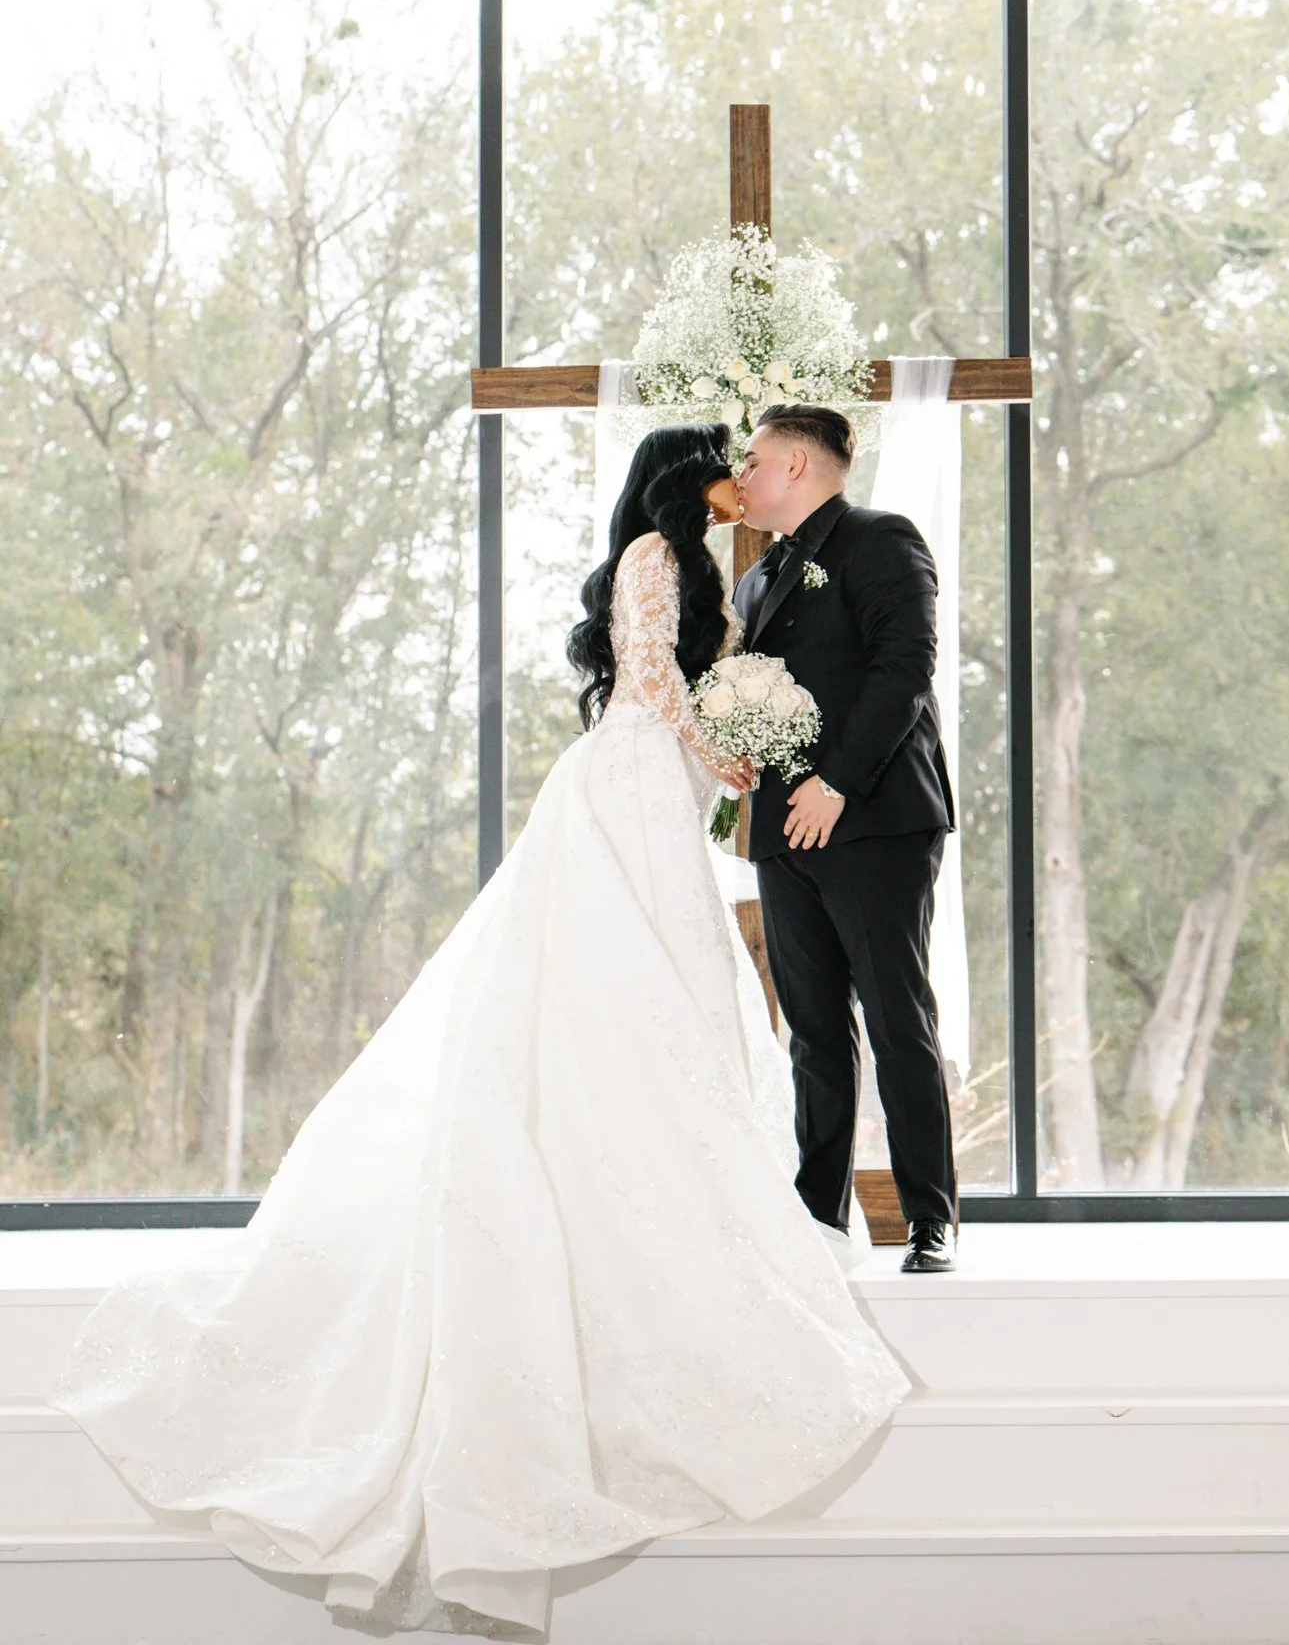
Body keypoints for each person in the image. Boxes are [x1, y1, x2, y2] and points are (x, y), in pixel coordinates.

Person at [51, 422, 909, 1641]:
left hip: (653, 793)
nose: (740, 482)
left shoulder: (698, 564)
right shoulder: (653, 563)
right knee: (616, 996)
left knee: (658, 1006)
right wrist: (736, 753)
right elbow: (655, 688)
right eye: (725, 464)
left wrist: (728, 756)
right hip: (627, 790)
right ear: (686, 480)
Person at [734, 404, 959, 1276]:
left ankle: (926, 1220)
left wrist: (836, 782)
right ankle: (819, 1222)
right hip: (784, 833)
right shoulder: (756, 582)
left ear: (795, 463)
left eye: (752, 459)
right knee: (814, 1032)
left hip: (876, 821)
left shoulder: (881, 539)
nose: (740, 475)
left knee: (900, 1019)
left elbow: (904, 667)